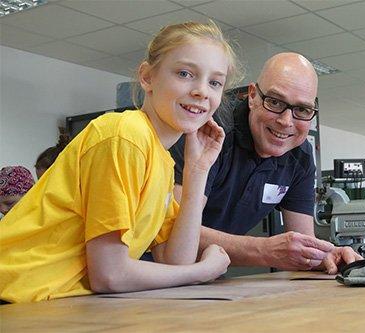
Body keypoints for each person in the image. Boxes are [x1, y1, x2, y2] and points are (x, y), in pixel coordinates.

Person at [0, 21, 242, 303]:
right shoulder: (125, 135)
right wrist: (202, 271)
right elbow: (110, 274)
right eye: (185, 73)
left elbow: (174, 262)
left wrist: (197, 171)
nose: (202, 91)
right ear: (147, 77)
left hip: (41, 304)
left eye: (215, 82)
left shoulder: (161, 160)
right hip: (11, 296)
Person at [170, 52, 363, 275]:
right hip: (148, 271)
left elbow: (304, 241)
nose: (285, 121)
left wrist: (325, 255)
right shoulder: (210, 130)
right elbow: (174, 231)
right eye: (274, 102)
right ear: (252, 96)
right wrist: (265, 250)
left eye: (302, 109)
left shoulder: (300, 155)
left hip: (207, 276)